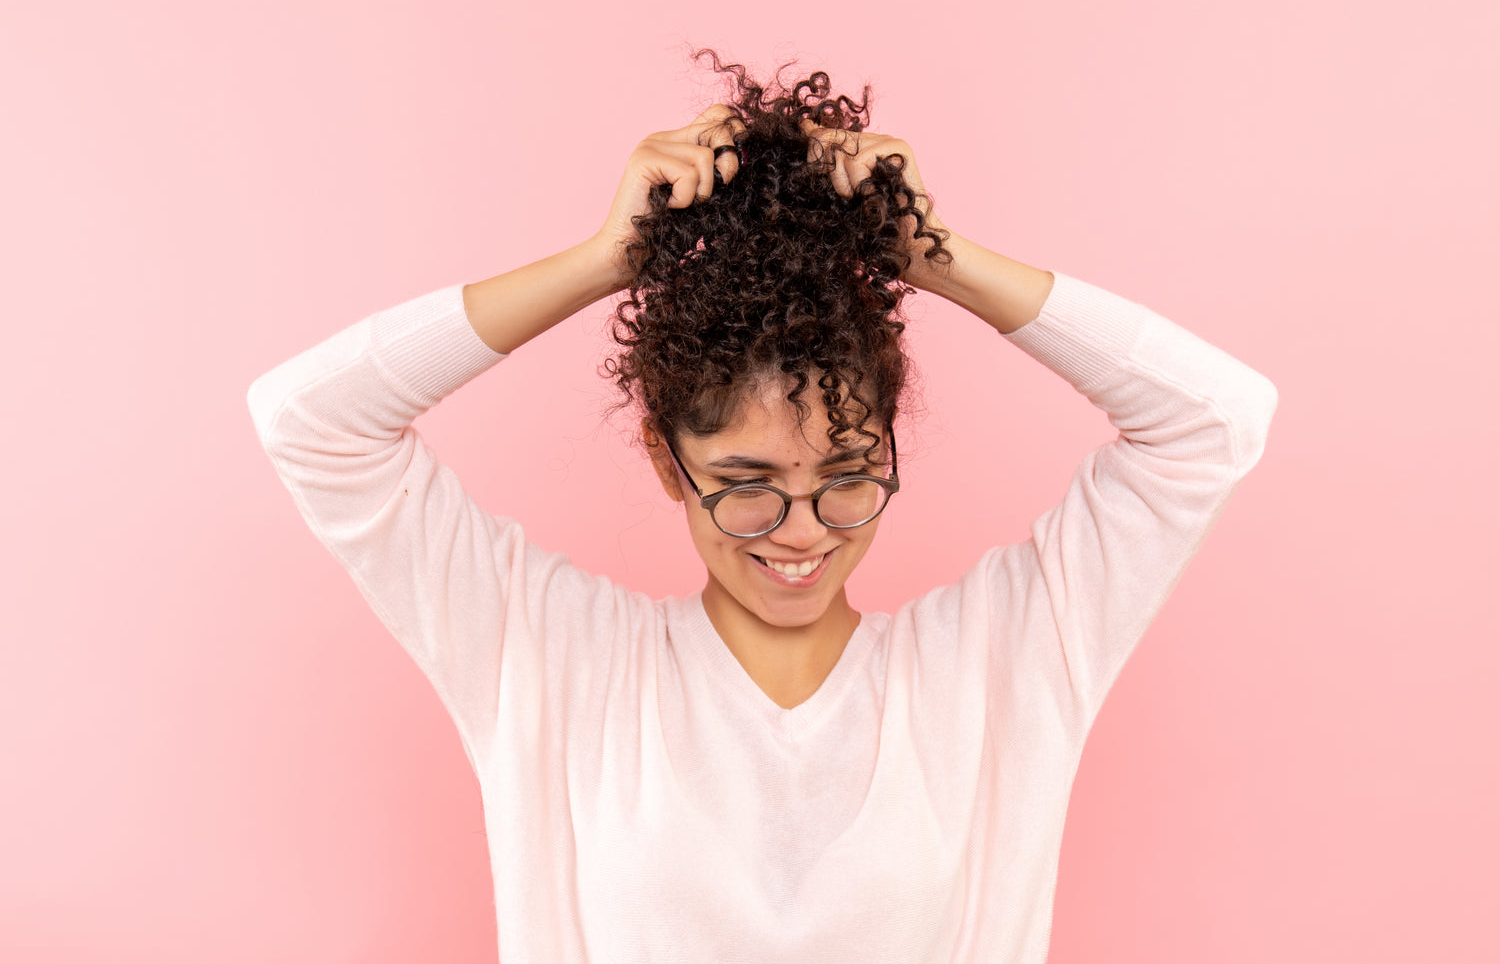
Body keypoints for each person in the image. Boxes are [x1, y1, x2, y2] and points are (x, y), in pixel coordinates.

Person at [248, 57, 1278, 963]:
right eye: (746, 486)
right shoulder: (550, 657)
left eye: (845, 474)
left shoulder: (1000, 664)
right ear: (667, 458)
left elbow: (1218, 418)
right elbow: (307, 419)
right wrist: (606, 260)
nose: (801, 529)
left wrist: (931, 253)